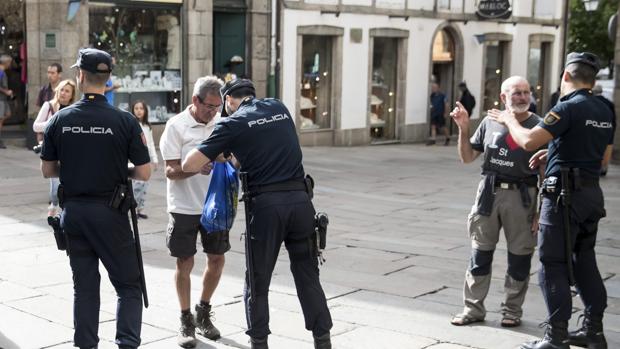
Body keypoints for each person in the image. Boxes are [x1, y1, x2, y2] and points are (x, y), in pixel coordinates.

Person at [182, 79, 333, 349]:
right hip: (301, 202)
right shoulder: (279, 107)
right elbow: (264, 148)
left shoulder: (231, 123)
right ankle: (323, 340)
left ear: (228, 101)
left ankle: (259, 342)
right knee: (308, 276)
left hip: (266, 209)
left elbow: (189, 163)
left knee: (257, 282)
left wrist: (215, 151)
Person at [488, 52, 614, 349]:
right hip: (591, 193)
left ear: (566, 76)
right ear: (592, 79)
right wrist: (555, 151)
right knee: (584, 261)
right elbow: (597, 151)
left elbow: (529, 140)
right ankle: (594, 331)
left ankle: (556, 337)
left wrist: (508, 119)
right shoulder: (605, 108)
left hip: (562, 197)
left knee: (552, 264)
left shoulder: (567, 107)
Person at [39, 48, 151, 349]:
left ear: (80, 76)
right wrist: (116, 169)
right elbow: (144, 173)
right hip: (110, 213)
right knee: (128, 285)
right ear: (109, 78)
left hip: (74, 213)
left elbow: (47, 169)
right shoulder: (125, 121)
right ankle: (127, 344)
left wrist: (78, 167)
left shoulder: (60, 120)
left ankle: (85, 345)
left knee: (85, 288)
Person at [449, 76, 543, 328]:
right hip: (488, 194)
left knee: (519, 257)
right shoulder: (490, 121)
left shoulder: (539, 126)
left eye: (526, 92)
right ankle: (473, 308)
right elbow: (468, 157)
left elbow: (546, 171)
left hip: (523, 197)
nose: (523, 97)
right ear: (503, 97)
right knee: (479, 254)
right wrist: (464, 128)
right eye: (517, 93)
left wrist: (540, 211)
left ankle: (512, 310)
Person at [159, 76, 227, 348]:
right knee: (184, 263)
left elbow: (233, 158)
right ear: (195, 100)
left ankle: (203, 311)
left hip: (215, 205)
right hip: (184, 207)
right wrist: (195, 167)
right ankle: (186, 319)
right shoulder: (176, 126)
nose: (213, 112)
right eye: (209, 106)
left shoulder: (222, 124)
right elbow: (170, 171)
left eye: (217, 107)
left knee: (217, 260)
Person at [33, 79, 78, 217]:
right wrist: (53, 122)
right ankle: (53, 205)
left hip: (69, 150)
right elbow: (36, 126)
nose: (63, 93)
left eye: (67, 91)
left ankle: (66, 211)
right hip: (52, 150)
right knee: (55, 183)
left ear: (72, 95)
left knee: (69, 181)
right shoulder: (49, 106)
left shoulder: (74, 109)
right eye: (62, 90)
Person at [130, 100, 159, 219]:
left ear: (145, 111)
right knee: (135, 186)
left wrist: (155, 159)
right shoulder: (131, 124)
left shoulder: (147, 126)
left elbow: (151, 144)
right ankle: (132, 209)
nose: (138, 111)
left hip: (145, 160)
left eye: (141, 108)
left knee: (144, 187)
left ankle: (139, 210)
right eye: (136, 108)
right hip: (133, 160)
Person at [592, 84, 616, 176]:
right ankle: (603, 169)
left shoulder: (591, 102)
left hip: (593, 129)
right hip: (607, 129)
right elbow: (613, 120)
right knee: (605, 150)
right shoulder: (609, 103)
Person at [428, 82, 450, 146]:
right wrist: (431, 108)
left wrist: (445, 113)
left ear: (438, 88)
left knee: (443, 127)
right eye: (432, 88)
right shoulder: (432, 95)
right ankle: (433, 140)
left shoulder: (443, 96)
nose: (433, 89)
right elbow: (431, 103)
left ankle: (447, 138)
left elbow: (446, 104)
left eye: (435, 87)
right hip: (434, 113)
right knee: (433, 126)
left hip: (440, 113)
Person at [0, 54, 14, 149]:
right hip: (0, 99)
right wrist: (6, 91)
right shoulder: (1, 72)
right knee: (0, 120)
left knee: (8, 114)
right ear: (7, 62)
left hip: (3, 99)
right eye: (10, 62)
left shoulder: (3, 72)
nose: (11, 64)